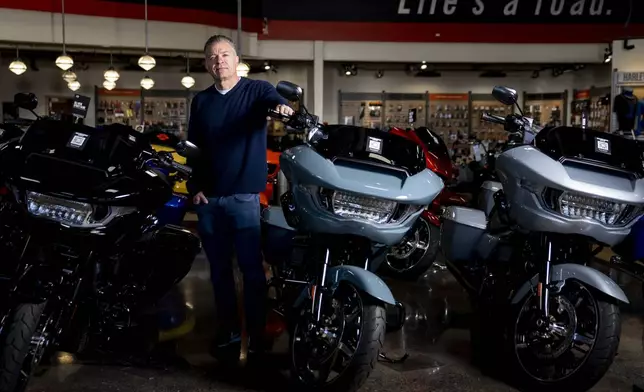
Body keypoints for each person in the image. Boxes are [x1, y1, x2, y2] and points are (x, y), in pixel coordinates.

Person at [186, 34, 294, 359]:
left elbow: (278, 105)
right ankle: (229, 331)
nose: (219, 61)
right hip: (209, 201)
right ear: (206, 64)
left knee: (251, 269)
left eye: (225, 54)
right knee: (218, 271)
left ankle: (258, 332)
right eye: (212, 56)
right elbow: (194, 148)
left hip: (245, 198)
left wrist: (283, 109)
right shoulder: (201, 101)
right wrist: (194, 188)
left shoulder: (257, 91)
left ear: (237, 60)